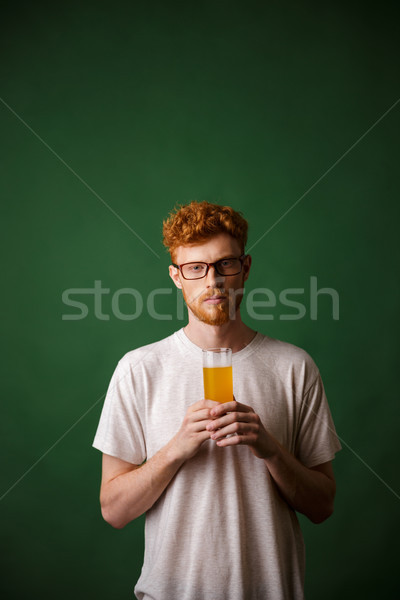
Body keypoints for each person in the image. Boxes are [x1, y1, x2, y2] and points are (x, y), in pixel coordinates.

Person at [93, 201, 342, 600]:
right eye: (195, 268)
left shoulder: (295, 367)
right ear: (177, 277)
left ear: (244, 268)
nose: (213, 281)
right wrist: (177, 448)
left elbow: (322, 505)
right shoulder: (138, 369)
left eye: (225, 264)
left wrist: (270, 449)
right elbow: (114, 510)